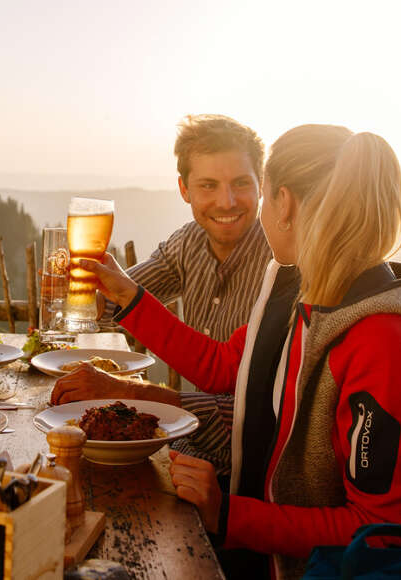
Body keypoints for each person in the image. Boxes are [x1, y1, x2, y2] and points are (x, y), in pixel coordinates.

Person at [52, 124, 401, 580]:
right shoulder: (308, 295)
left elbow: (379, 532)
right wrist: (126, 293)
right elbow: (223, 366)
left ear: (284, 202)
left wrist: (229, 513)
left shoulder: (382, 340)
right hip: (283, 555)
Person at [101, 114, 272, 478]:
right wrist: (80, 290)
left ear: (263, 185)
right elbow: (119, 299)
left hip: (249, 477)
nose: (226, 202)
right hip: (188, 450)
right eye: (208, 185)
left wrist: (138, 397)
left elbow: (253, 411)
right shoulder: (187, 242)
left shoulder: (284, 264)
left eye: (241, 183)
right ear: (184, 190)